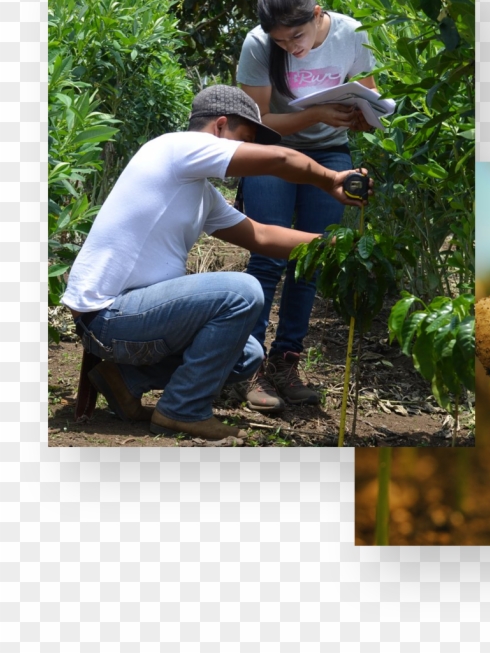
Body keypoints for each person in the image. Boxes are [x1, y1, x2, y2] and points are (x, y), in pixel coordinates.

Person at [61, 85, 370, 441]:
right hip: (107, 317)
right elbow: (281, 160)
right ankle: (182, 410)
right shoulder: (176, 148)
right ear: (220, 126)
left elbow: (261, 236)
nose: (250, 152)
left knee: (248, 354)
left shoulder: (200, 192)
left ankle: (124, 380)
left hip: (132, 320)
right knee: (243, 291)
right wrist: (331, 179)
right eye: (247, 140)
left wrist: (336, 246)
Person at [235, 0, 378, 412]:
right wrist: (316, 113)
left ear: (317, 15)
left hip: (331, 152)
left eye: (296, 36)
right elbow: (255, 121)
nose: (290, 48)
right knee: (267, 255)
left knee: (312, 257)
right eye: (281, 42)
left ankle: (286, 362)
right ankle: (248, 364)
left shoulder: (351, 34)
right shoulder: (258, 45)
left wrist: (363, 118)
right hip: (270, 152)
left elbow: (371, 97)